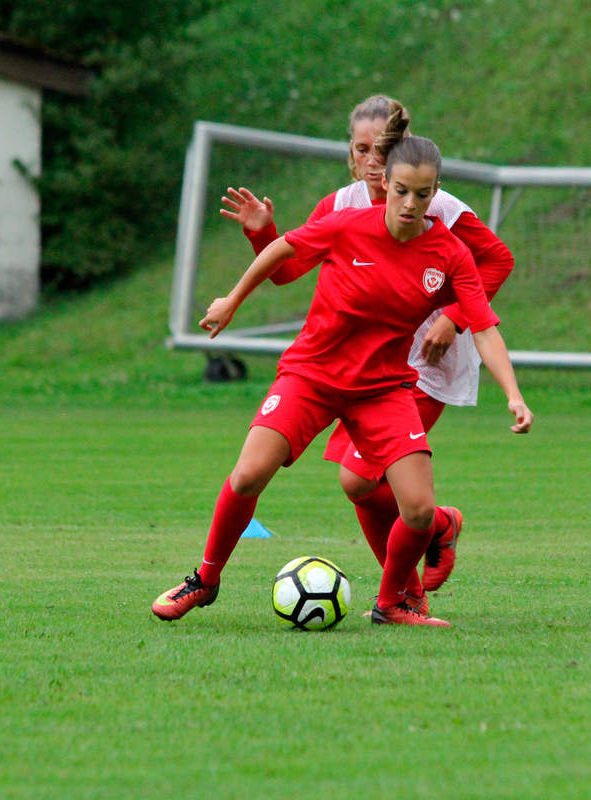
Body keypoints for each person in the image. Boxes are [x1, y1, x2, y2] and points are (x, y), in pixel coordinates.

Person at [152, 112, 533, 626]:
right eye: (401, 190)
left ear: (434, 191)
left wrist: (513, 394)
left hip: (382, 388)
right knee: (248, 475)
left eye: (422, 195)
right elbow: (283, 253)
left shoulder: (449, 251)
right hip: (313, 373)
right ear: (385, 181)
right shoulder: (346, 220)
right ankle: (205, 580)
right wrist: (233, 299)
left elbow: (485, 326)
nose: (410, 204)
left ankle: (394, 601)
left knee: (418, 510)